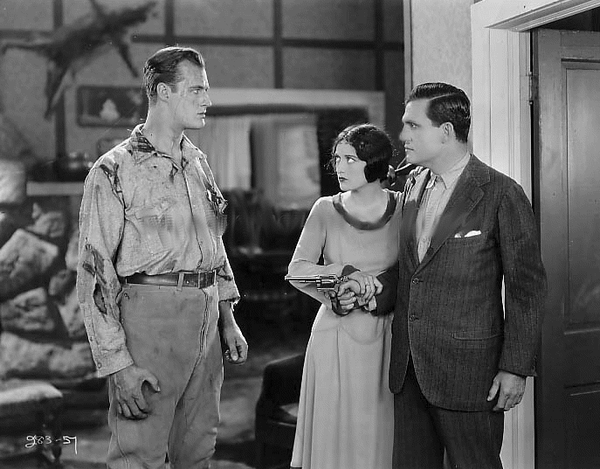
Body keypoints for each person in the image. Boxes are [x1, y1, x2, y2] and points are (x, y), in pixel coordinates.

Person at [76, 46, 248, 469]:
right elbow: (95, 274)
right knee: (139, 455)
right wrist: (118, 367)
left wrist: (227, 318)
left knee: (198, 450)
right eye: (197, 90)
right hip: (150, 322)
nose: (207, 100)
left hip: (206, 320)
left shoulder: (198, 163)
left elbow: (213, 244)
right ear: (163, 92)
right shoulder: (114, 170)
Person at [387, 82, 547, 468]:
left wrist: (515, 368)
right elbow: (411, 272)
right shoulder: (413, 184)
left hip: (469, 373)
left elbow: (526, 289)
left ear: (446, 131)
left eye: (413, 125)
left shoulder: (501, 193)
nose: (403, 135)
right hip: (409, 370)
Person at [287, 123, 400, 469]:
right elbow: (297, 270)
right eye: (337, 158)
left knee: (379, 436)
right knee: (334, 440)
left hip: (387, 336)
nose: (340, 167)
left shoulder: (404, 207)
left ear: (374, 162)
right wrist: (341, 274)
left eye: (351, 159)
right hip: (335, 335)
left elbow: (413, 269)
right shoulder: (325, 209)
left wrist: (374, 287)